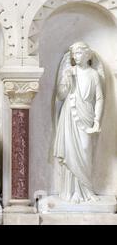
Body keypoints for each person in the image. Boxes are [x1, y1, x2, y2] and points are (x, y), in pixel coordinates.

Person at [53, 42, 104, 203]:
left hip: (87, 115)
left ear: (87, 55)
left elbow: (99, 98)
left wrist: (97, 121)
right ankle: (72, 192)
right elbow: (60, 96)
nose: (76, 56)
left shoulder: (94, 74)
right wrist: (67, 81)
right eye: (74, 54)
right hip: (70, 115)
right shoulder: (70, 72)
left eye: (79, 53)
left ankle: (87, 190)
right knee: (70, 151)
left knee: (85, 149)